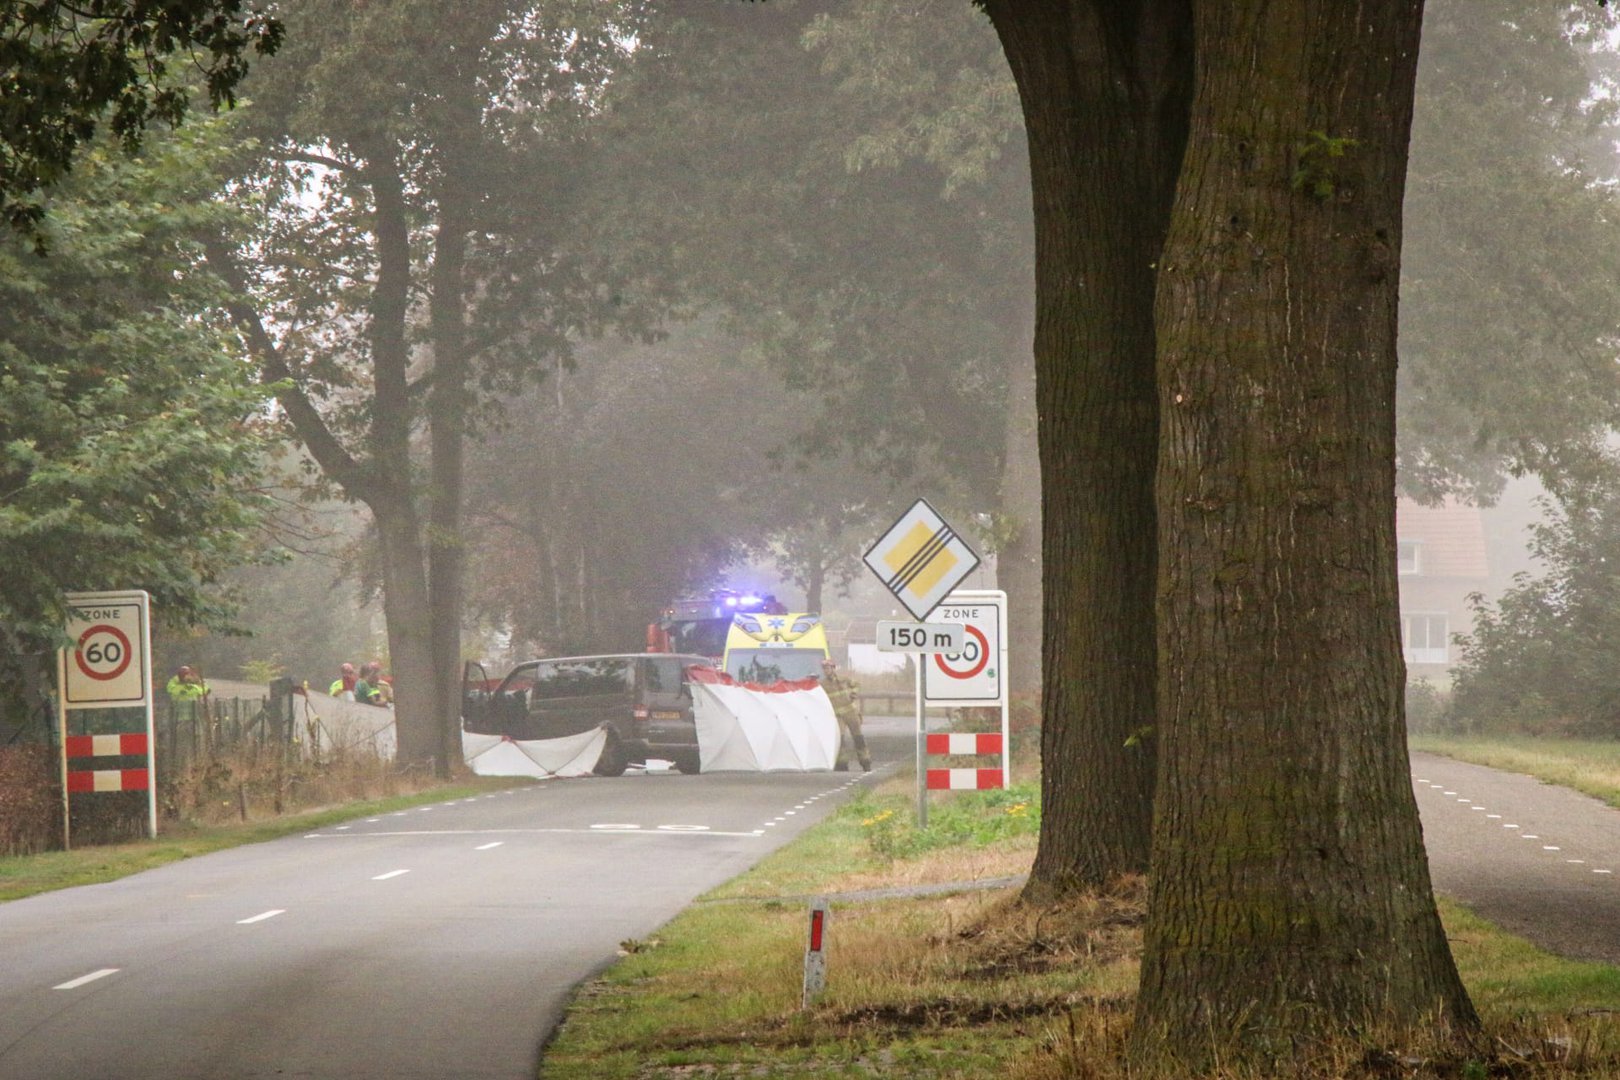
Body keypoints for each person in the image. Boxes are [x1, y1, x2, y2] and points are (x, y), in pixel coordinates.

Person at [819, 656, 871, 772]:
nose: (826, 670)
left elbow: (856, 684)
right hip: (838, 716)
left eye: (828, 668)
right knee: (840, 740)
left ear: (833, 668)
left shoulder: (844, 679)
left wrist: (853, 694)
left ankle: (865, 761)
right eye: (824, 668)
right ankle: (842, 764)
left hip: (851, 713)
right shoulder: (823, 685)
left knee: (858, 737)